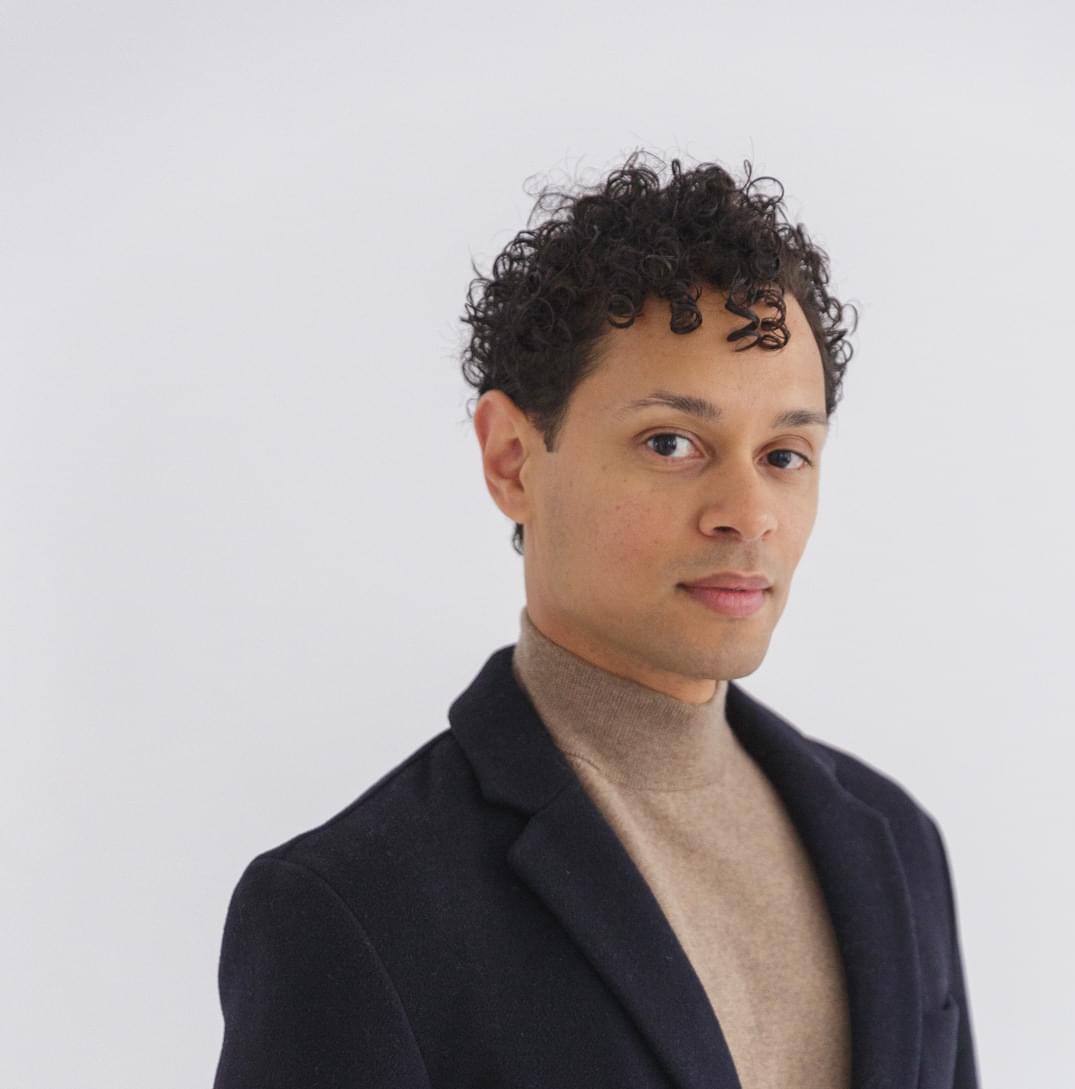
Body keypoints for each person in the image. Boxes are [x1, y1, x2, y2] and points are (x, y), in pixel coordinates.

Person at [211, 150, 980, 1089]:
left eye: (786, 453)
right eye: (671, 442)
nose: (748, 510)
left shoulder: (896, 842)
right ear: (511, 459)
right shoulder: (356, 910)